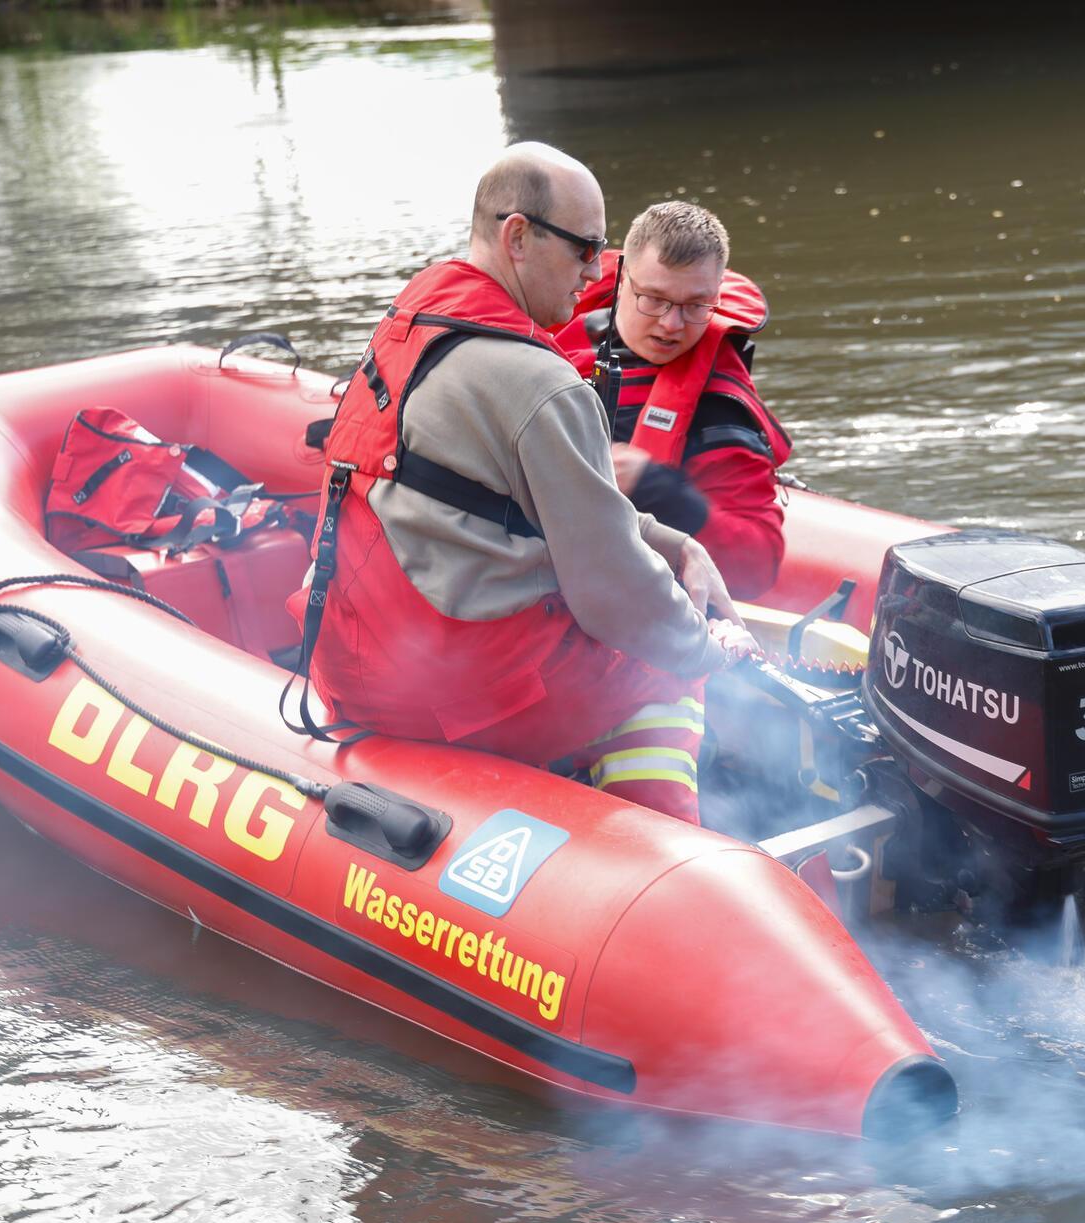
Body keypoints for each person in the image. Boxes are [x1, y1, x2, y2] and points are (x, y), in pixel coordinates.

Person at [288, 143, 754, 824]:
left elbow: (502, 499)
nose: (597, 272)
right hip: (451, 696)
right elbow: (614, 595)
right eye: (586, 249)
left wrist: (673, 539)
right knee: (664, 664)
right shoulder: (542, 385)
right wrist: (708, 650)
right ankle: (656, 844)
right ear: (518, 236)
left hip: (351, 672)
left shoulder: (407, 323)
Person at [552, 202, 793, 601]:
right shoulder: (559, 315)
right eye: (654, 298)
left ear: (716, 296)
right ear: (621, 277)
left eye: (696, 306)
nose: (671, 324)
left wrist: (658, 490)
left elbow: (757, 567)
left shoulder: (718, 415)